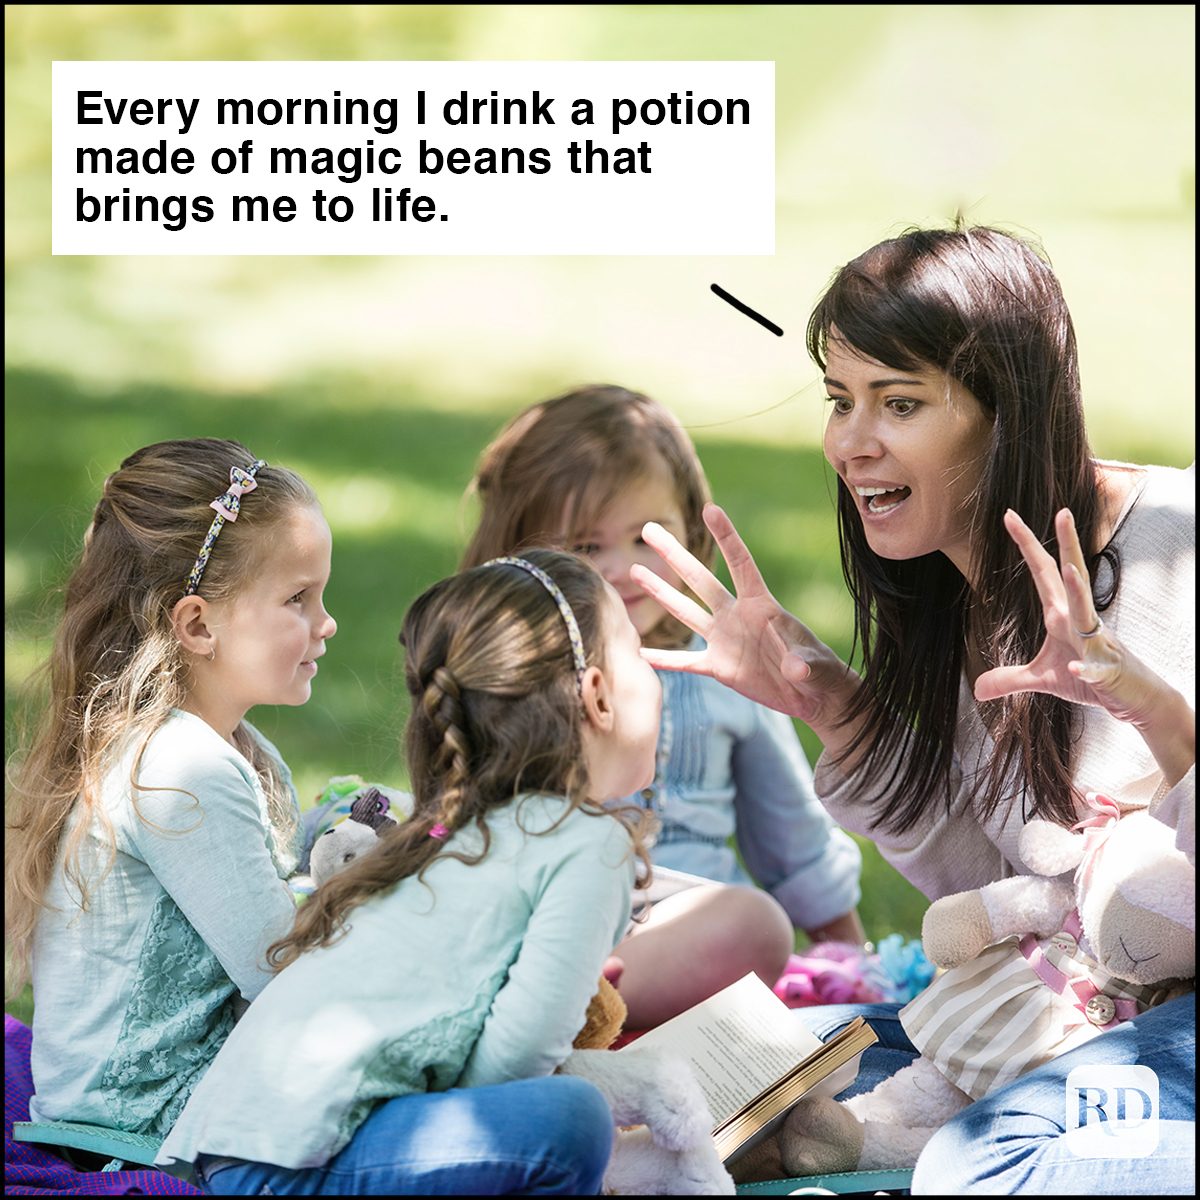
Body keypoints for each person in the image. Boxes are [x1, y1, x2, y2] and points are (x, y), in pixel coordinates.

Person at [631, 225, 1195, 1194]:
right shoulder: (963, 598)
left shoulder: (1177, 553)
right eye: (840, 399)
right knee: (742, 1063)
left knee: (980, 1167)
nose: (851, 443)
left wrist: (1165, 727)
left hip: (1165, 1014)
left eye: (899, 403)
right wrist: (840, 714)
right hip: (1065, 999)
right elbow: (1004, 885)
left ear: (1004, 413)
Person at [155, 549, 661, 1195]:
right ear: (597, 696)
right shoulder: (587, 843)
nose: (655, 673)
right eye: (642, 655)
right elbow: (514, 1062)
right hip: (292, 1169)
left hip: (228, 1150)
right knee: (572, 1120)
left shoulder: (451, 827)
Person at [461, 385, 865, 1028]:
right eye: (587, 548)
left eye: (648, 538)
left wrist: (850, 961)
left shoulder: (728, 670)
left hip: (687, 938)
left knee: (751, 927)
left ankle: (571, 1019)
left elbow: (789, 831)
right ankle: (558, 1013)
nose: (623, 569)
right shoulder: (502, 675)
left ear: (687, 526)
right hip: (549, 929)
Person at [4, 438, 337, 1139]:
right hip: (144, 1122)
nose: (326, 624)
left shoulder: (241, 750)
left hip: (198, 1097)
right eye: (298, 599)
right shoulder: (178, 770)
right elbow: (283, 978)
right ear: (197, 624)